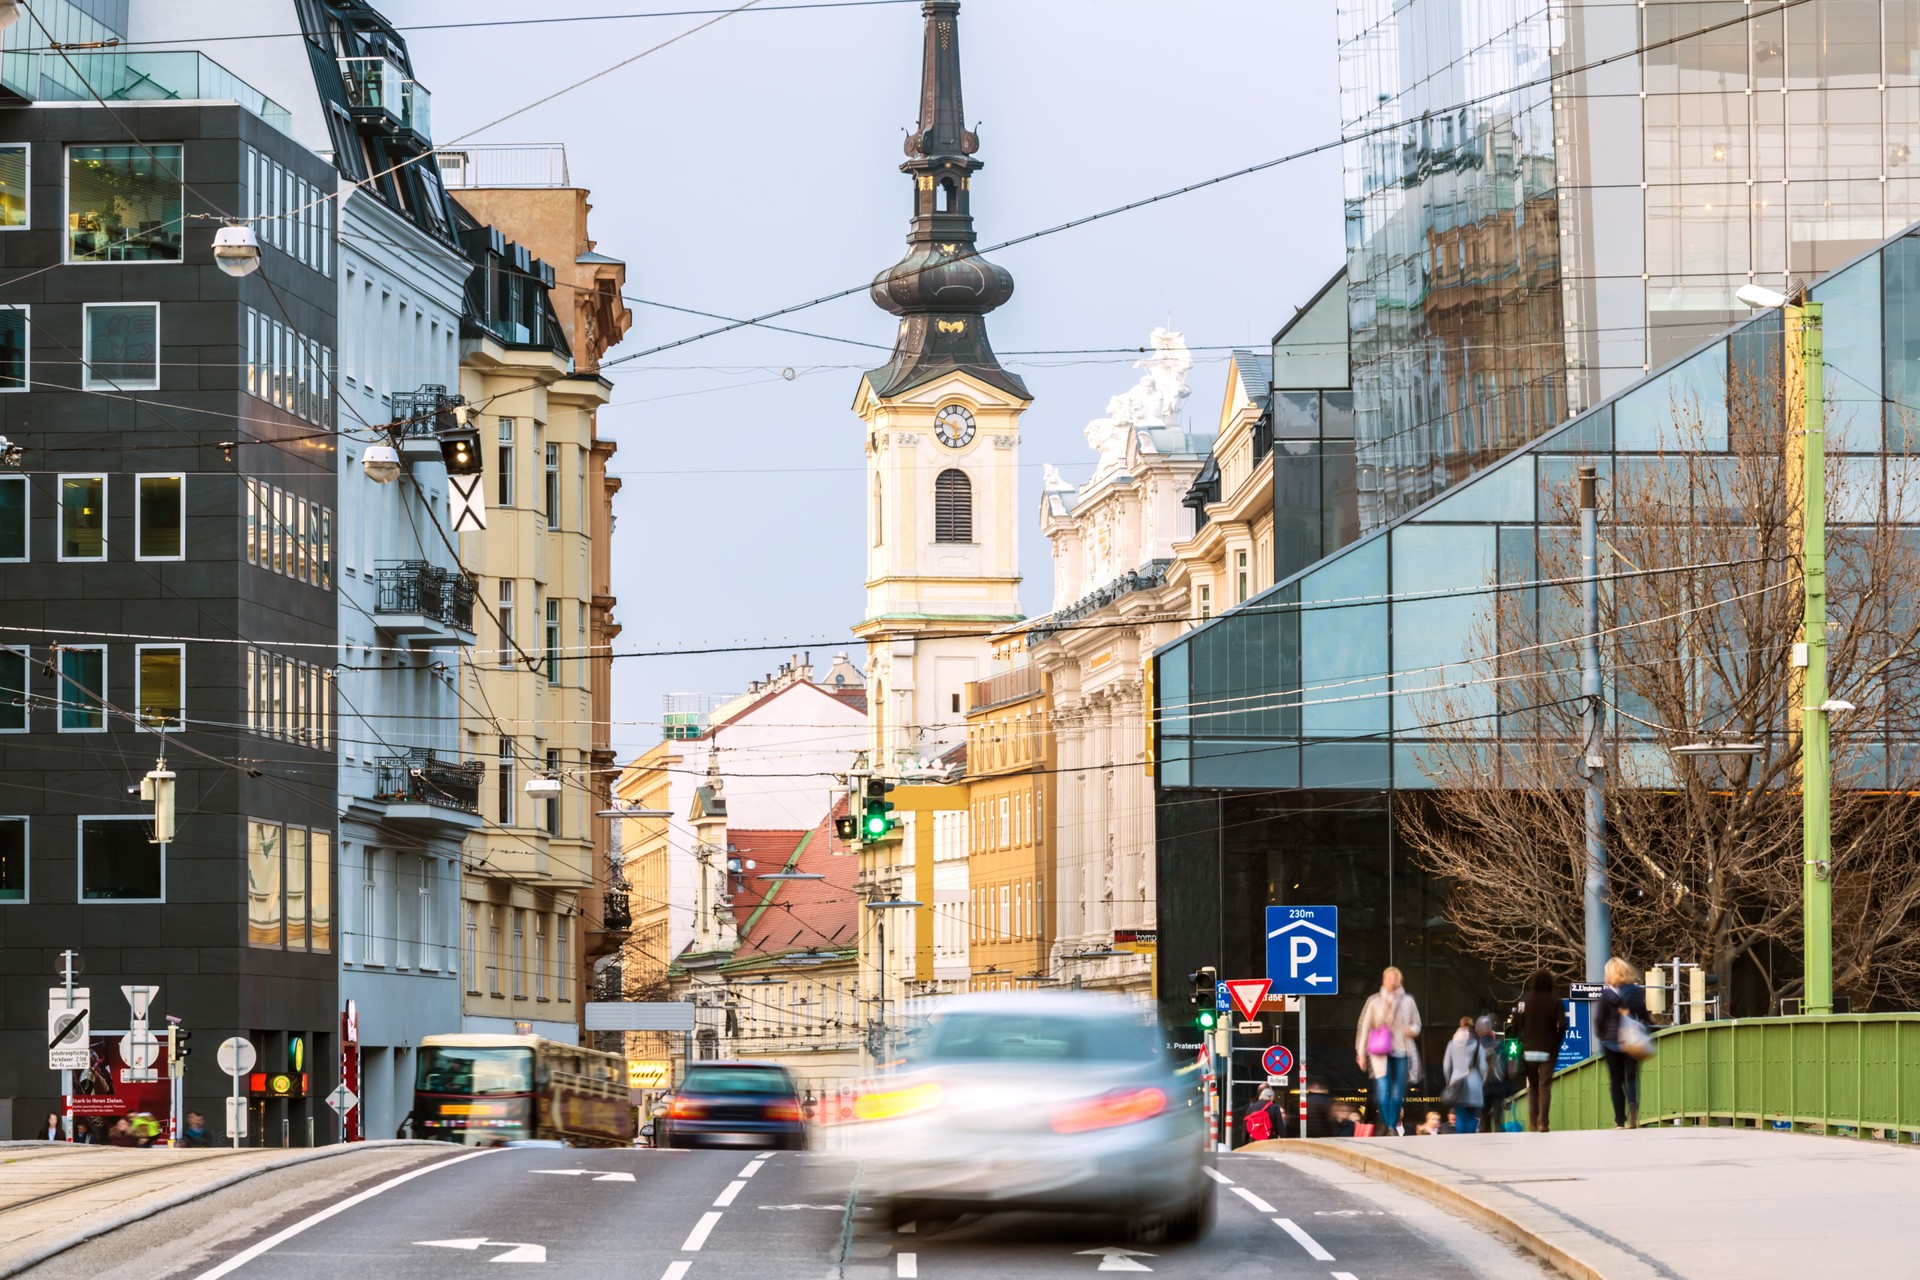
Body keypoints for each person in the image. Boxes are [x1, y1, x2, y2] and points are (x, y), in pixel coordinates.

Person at [1355, 965, 1423, 1135]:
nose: (1392, 981)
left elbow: (1417, 1024)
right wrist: (1361, 1053)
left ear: (1400, 980)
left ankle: (1392, 1125)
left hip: (1402, 1050)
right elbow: (1365, 1027)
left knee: (1397, 1091)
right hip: (1380, 1052)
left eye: (1395, 978)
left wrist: (1412, 1030)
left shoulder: (1408, 1001)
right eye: (1389, 978)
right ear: (1384, 980)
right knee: (1383, 1091)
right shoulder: (1374, 1001)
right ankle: (1389, 1124)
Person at [1597, 956, 1652, 1129]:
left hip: (1611, 1041)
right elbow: (1643, 1014)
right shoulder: (1635, 991)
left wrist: (1602, 1035)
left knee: (1616, 1081)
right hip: (1631, 1041)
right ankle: (1633, 1108)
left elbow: (1599, 1019)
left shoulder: (1607, 994)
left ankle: (1620, 1121)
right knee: (1632, 1078)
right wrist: (1646, 1025)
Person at [1512, 971, 1568, 1133]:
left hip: (1529, 1049)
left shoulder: (1525, 1001)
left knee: (1533, 1087)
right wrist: (1557, 1040)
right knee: (1545, 1087)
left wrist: (1521, 1038)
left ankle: (1532, 1123)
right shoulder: (1555, 1001)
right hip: (1549, 1049)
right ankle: (1543, 1122)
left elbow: (1515, 1025)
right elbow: (1563, 1025)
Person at [1442, 1016, 1489, 1134]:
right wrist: (1481, 1081)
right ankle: (1471, 1142)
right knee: (1472, 1116)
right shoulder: (1478, 1045)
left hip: (1457, 1082)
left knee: (1461, 1115)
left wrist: (1450, 1082)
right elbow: (1483, 1067)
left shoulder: (1451, 1044)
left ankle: (1461, 1144)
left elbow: (1446, 1067)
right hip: (1475, 1083)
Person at [1474, 1014, 1508, 1134]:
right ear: (1489, 1029)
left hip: (1482, 1083)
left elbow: (1474, 1065)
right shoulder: (1499, 1045)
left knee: (1484, 1109)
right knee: (1498, 1104)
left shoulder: (1476, 1046)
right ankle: (1498, 1127)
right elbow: (1505, 1063)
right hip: (1498, 1080)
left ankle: (1484, 1127)